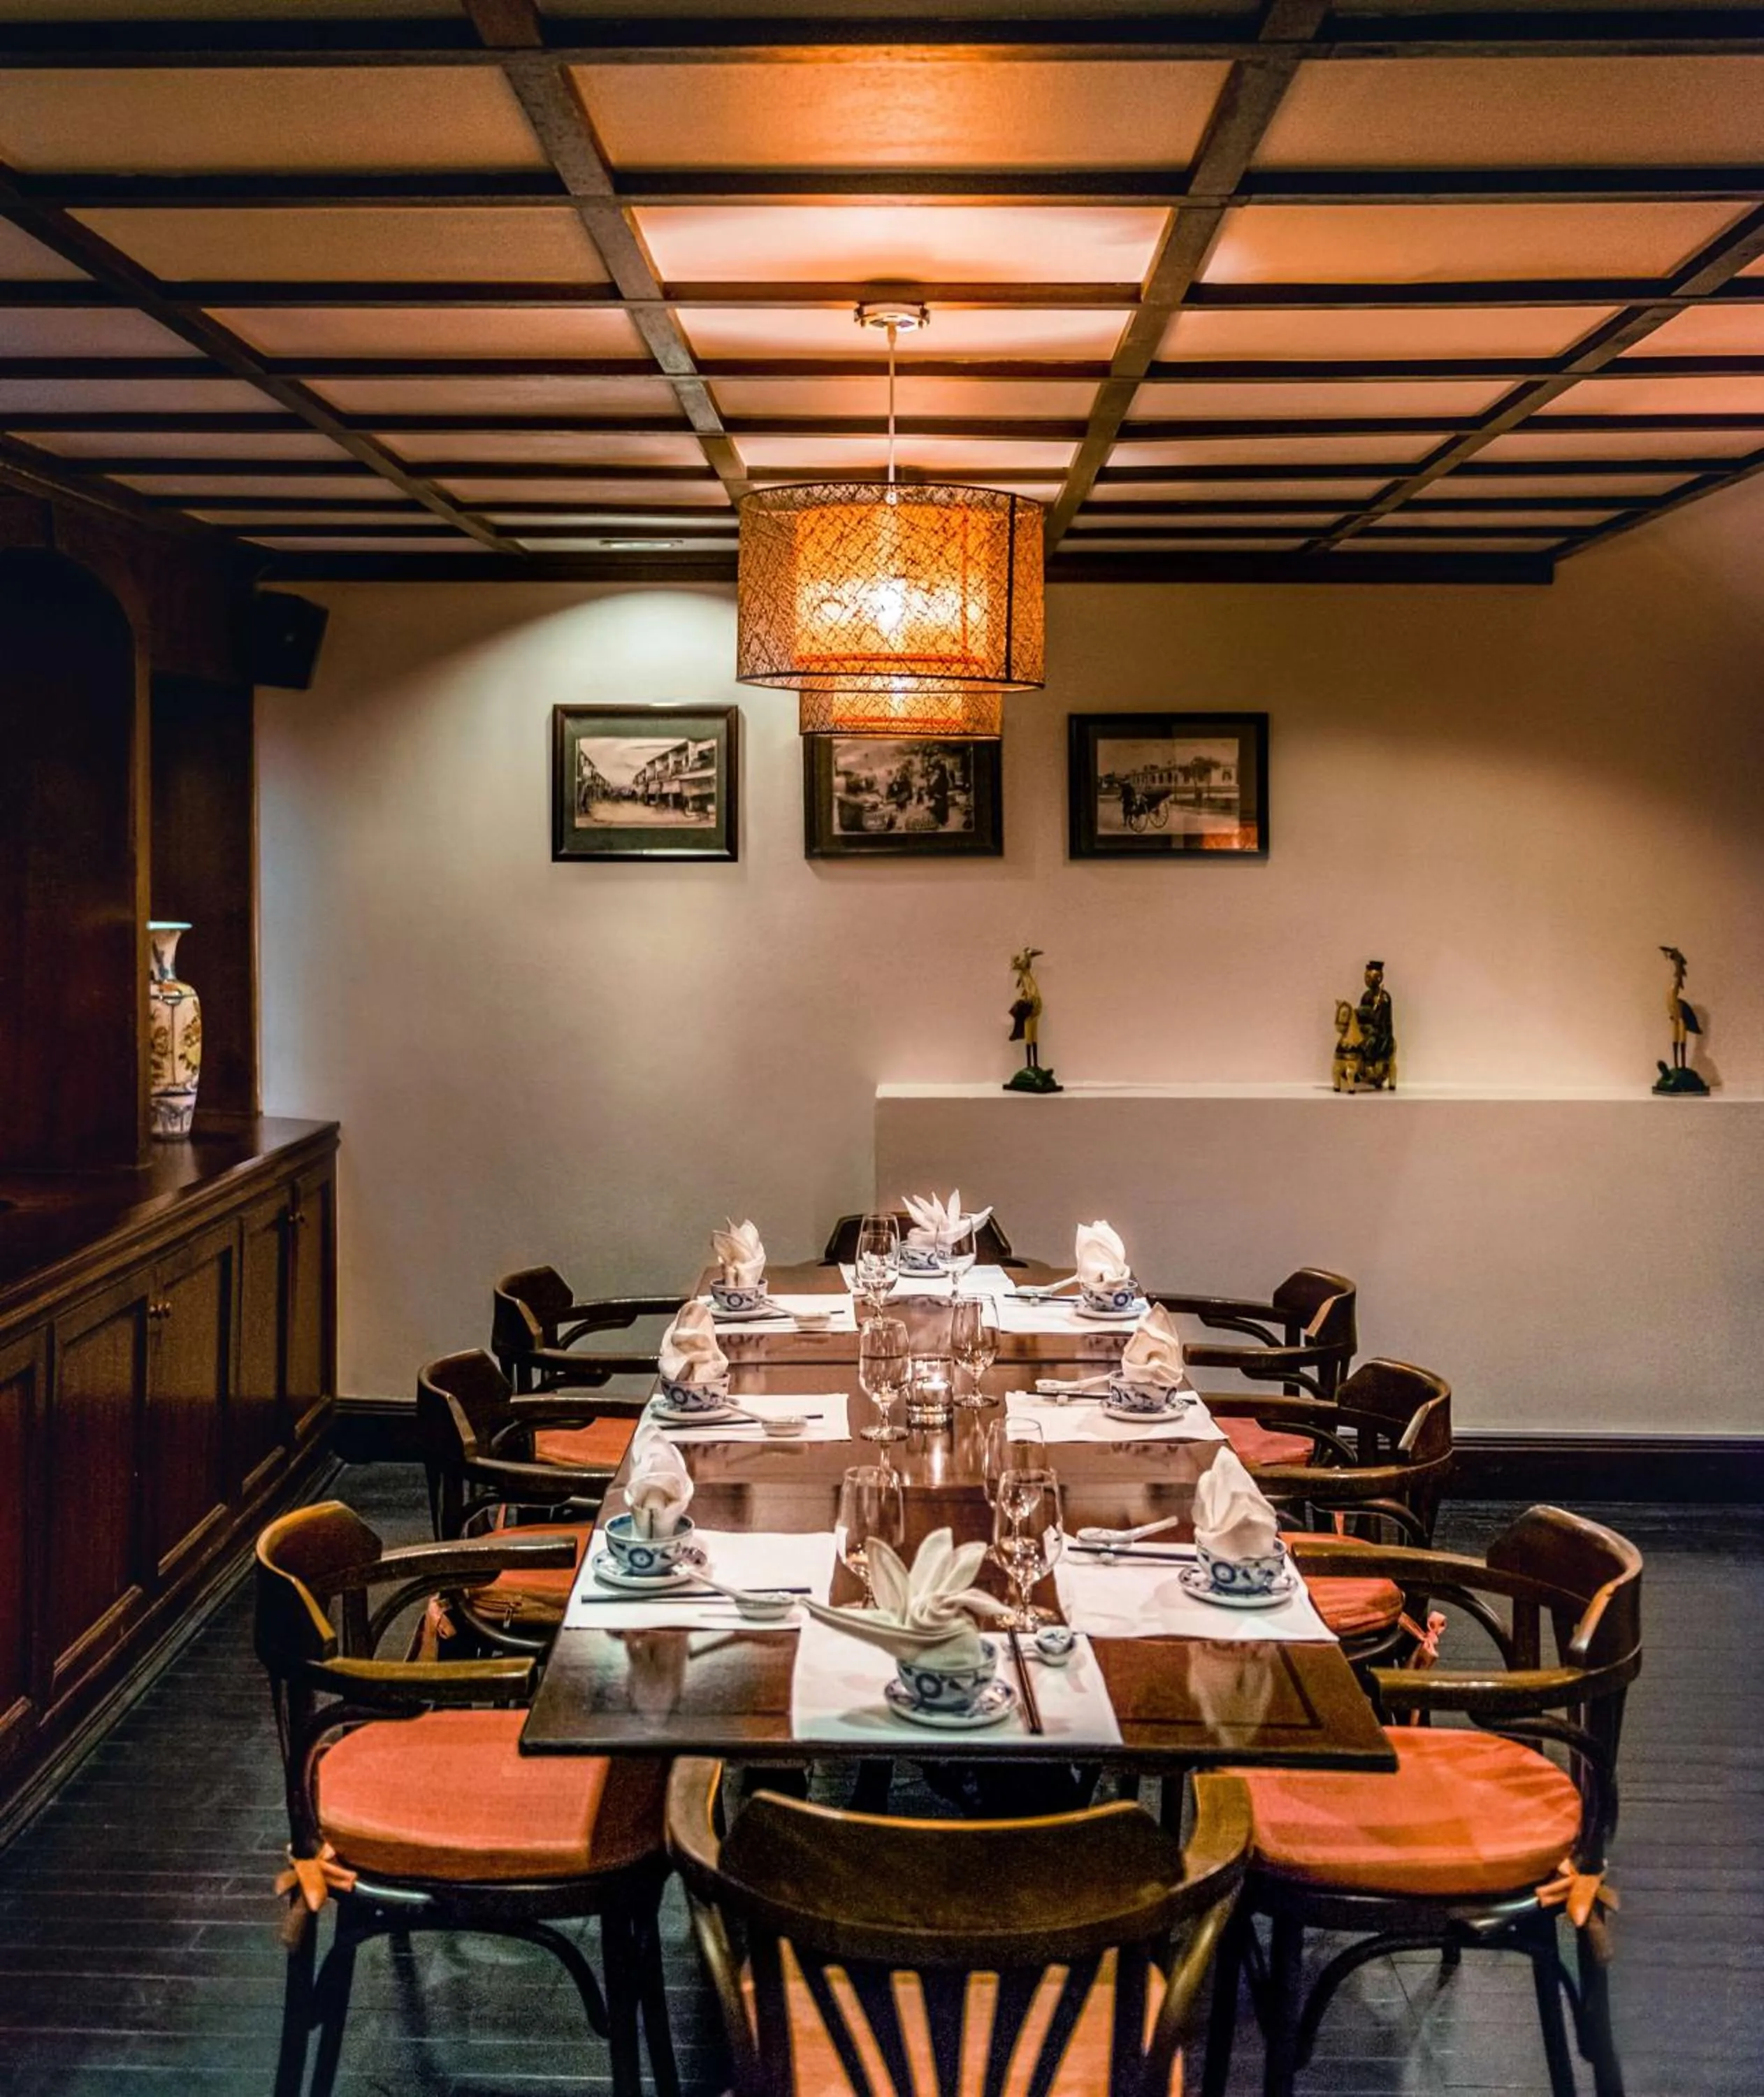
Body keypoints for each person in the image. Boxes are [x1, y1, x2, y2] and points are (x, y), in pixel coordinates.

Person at [1355, 960, 1396, 1090]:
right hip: (1367, 1028)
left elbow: (1382, 1018)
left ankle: (1370, 1066)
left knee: (1370, 1042)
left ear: (1378, 978)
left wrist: (1368, 1014)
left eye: (1370, 977)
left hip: (1380, 1032)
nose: (1367, 980)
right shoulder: (1366, 996)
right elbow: (1361, 1014)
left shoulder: (1384, 997)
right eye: (1366, 977)